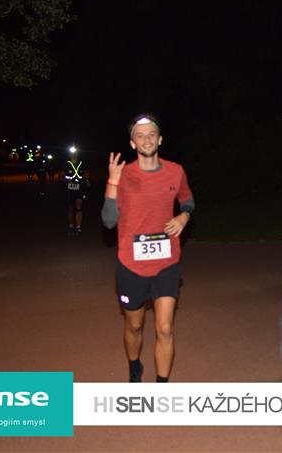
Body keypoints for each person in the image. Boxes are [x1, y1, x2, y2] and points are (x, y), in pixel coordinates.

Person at [101, 114, 195, 383]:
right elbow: (109, 221)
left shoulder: (176, 171)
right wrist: (112, 182)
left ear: (160, 139)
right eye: (140, 136)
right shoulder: (123, 175)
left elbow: (188, 201)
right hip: (131, 264)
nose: (147, 140)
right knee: (134, 325)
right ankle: (134, 367)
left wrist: (184, 216)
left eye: (151, 134)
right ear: (133, 143)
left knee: (165, 328)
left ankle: (161, 387)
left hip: (167, 262)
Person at [63, 146, 90, 236]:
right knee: (70, 208)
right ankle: (71, 226)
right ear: (70, 154)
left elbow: (86, 172)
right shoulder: (66, 163)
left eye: (75, 153)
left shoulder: (82, 162)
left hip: (80, 188)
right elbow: (61, 175)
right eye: (72, 153)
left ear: (77, 154)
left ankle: (78, 227)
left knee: (79, 207)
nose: (74, 155)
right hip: (69, 189)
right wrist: (65, 180)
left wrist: (87, 181)